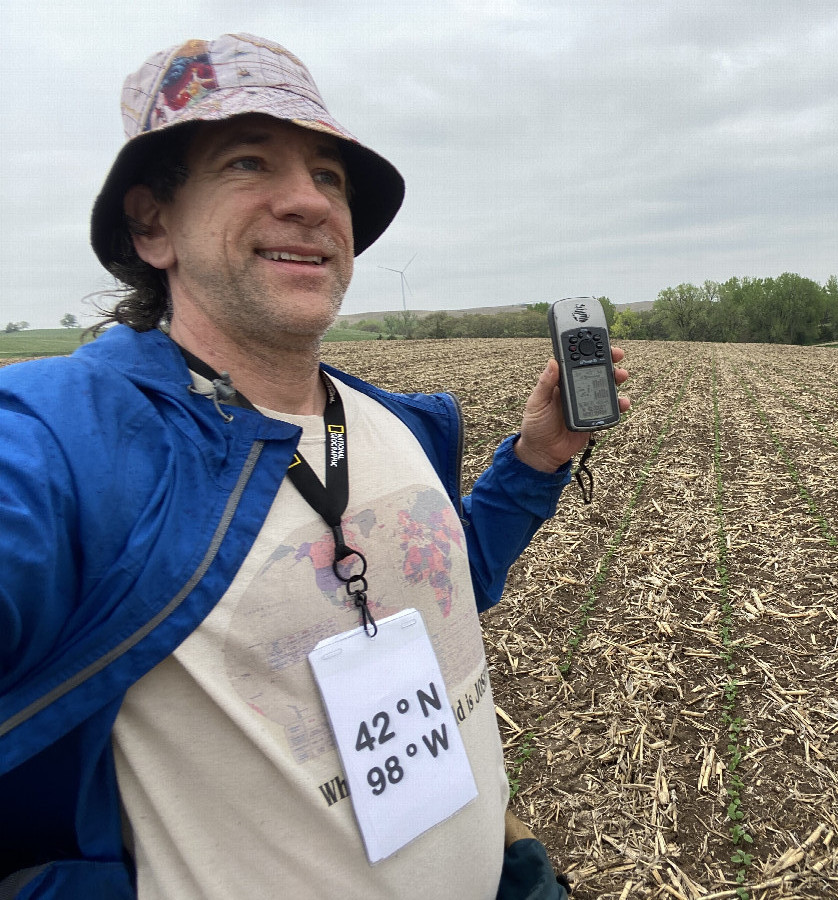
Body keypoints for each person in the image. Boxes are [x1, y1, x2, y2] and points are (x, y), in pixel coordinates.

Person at [0, 33, 628, 900]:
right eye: (247, 161)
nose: (309, 202)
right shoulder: (71, 444)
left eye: (329, 176)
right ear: (151, 225)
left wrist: (536, 460)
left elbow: (445, 590)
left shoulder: (396, 423)